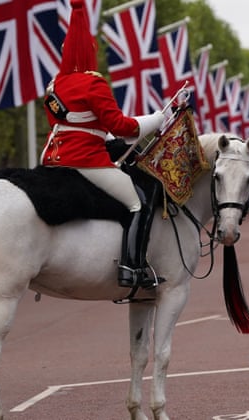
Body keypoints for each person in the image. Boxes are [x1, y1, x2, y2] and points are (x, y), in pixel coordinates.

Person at [41, 0, 165, 289]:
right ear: (91, 53)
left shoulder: (54, 84)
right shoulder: (93, 84)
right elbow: (122, 126)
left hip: (52, 157)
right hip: (85, 160)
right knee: (138, 202)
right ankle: (131, 267)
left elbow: (80, 122)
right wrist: (157, 119)